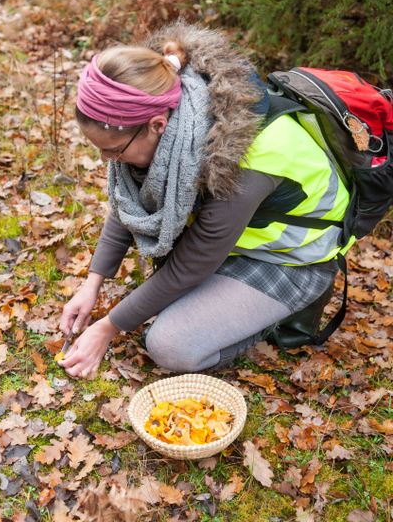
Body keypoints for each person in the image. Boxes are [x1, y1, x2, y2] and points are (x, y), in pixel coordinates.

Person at [58, 20, 348, 379]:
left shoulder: (246, 160)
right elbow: (131, 198)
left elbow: (190, 266)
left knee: (170, 345)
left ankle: (283, 310)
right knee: (158, 305)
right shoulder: (175, 120)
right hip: (233, 242)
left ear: (156, 125)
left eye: (113, 150)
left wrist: (107, 328)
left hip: (290, 259)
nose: (107, 162)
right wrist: (93, 283)